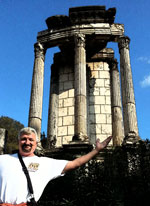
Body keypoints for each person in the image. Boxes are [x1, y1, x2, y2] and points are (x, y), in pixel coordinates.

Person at [0, 127, 112, 206]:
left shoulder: (44, 163)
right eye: (24, 139)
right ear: (18, 141)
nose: (27, 142)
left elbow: (75, 164)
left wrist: (96, 150)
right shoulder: (3, 159)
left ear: (36, 142)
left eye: (31, 139)